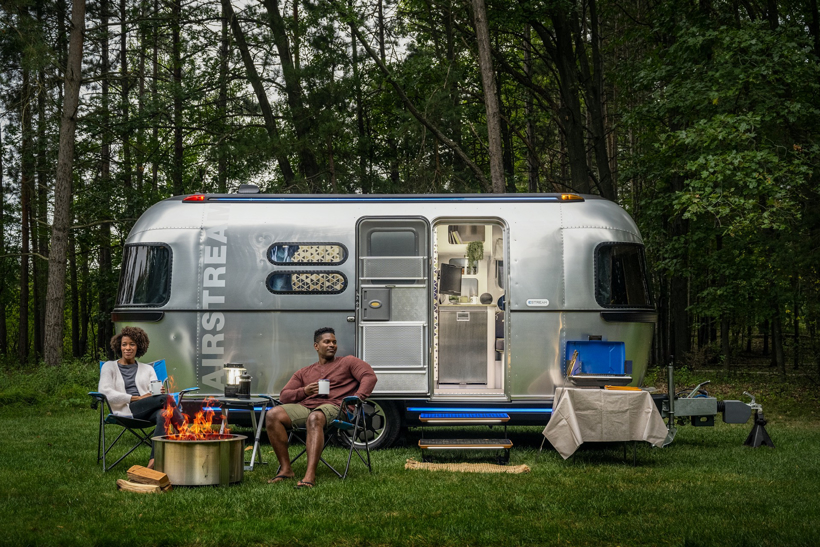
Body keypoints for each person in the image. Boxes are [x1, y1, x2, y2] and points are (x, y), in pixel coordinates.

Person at [266, 327, 377, 488]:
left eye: (334, 342)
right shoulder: (304, 372)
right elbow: (284, 396)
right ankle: (285, 469)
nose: (332, 345)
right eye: (327, 342)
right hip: (308, 407)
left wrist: (357, 398)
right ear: (316, 346)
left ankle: (310, 475)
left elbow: (369, 376)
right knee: (273, 414)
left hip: (337, 408)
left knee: (315, 417)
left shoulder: (348, 362)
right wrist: (304, 391)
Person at [97, 326, 184, 469]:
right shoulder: (109, 367)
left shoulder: (148, 369)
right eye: (124, 344)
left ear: (139, 346)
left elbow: (153, 392)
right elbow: (105, 392)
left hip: (147, 410)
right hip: (126, 411)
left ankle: (153, 462)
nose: (128, 348)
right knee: (165, 399)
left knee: (165, 413)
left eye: (132, 344)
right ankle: (187, 433)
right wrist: (135, 398)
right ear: (119, 346)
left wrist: (157, 392)